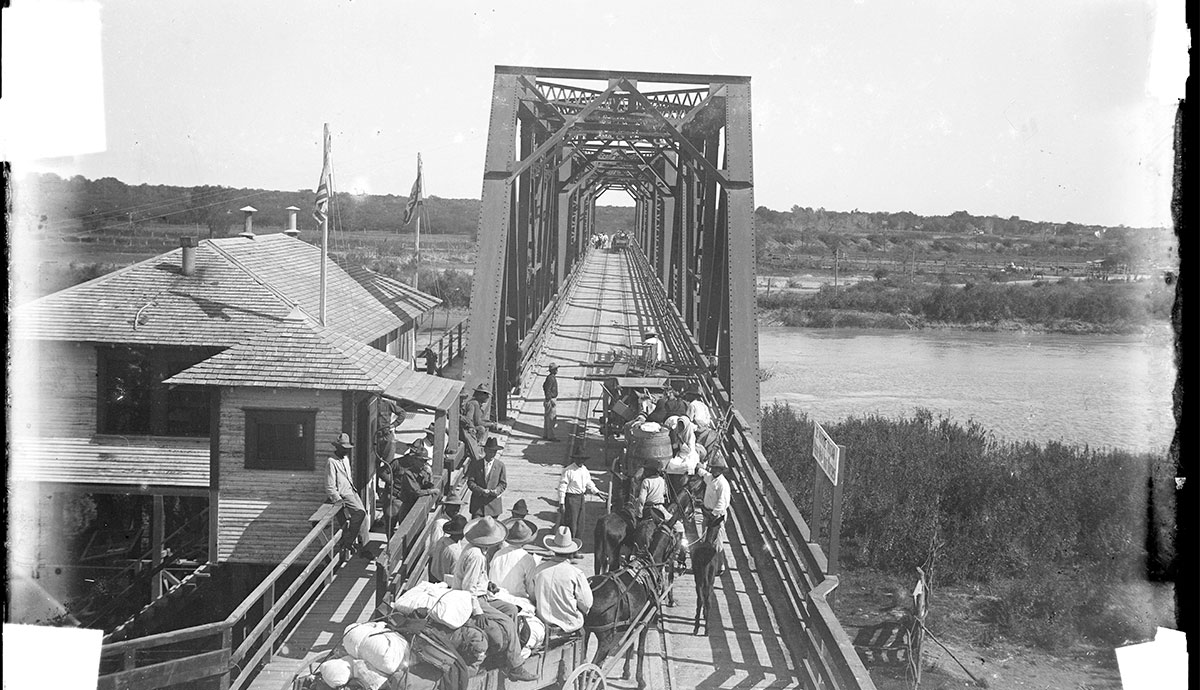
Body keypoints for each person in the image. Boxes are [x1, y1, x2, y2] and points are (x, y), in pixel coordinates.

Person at [455, 516, 538, 681]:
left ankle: (507, 655)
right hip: (473, 600)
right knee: (506, 622)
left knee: (512, 609)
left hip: (482, 594)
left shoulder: (476, 550)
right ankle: (516, 666)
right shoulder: (477, 556)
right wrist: (478, 612)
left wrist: (488, 584)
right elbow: (469, 589)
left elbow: (477, 580)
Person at [527, 526, 593, 634]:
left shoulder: (539, 570)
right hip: (569, 625)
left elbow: (532, 595)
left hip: (542, 622)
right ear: (571, 552)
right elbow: (587, 604)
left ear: (553, 550)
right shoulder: (576, 574)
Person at [325, 432, 369, 561]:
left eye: (347, 449)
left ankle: (364, 548)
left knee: (364, 516)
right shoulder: (331, 462)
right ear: (338, 448)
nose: (346, 451)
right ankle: (348, 541)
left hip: (351, 490)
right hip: (343, 494)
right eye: (344, 449)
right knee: (359, 514)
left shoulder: (345, 459)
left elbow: (348, 477)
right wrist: (337, 499)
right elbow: (329, 485)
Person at [557, 458, 607, 548]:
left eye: (583, 460)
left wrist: (597, 492)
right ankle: (568, 549)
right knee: (572, 524)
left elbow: (588, 482)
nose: (581, 462)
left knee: (580, 524)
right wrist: (562, 503)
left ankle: (576, 548)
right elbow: (562, 486)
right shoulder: (568, 470)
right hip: (571, 498)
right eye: (579, 460)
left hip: (581, 498)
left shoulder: (584, 470)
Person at [489, 517, 540, 598]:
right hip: (517, 599)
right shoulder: (527, 558)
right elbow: (530, 587)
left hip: (496, 596)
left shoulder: (498, 554)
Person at [467, 437, 508, 518]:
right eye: (490, 451)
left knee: (492, 529)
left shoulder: (500, 465)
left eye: (494, 452)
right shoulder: (476, 464)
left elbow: (503, 483)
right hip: (478, 506)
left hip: (493, 506)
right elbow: (470, 482)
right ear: (485, 450)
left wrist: (497, 491)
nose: (492, 454)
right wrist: (481, 490)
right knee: (476, 528)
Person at [699, 452, 732, 547]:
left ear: (721, 470)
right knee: (704, 538)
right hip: (707, 513)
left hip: (716, 517)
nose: (713, 470)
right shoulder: (710, 478)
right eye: (712, 468)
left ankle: (718, 560)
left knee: (716, 542)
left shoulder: (723, 484)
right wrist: (697, 468)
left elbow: (722, 502)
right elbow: (704, 474)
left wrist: (713, 514)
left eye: (716, 468)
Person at [663, 415, 700, 502]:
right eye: (679, 425)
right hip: (680, 454)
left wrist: (681, 442)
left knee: (688, 466)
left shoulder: (690, 435)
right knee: (671, 465)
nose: (680, 427)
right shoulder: (677, 432)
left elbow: (689, 450)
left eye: (682, 425)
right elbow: (675, 445)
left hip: (689, 455)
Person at [429, 514, 467, 584]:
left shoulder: (441, 540)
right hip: (445, 583)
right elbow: (454, 576)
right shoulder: (455, 552)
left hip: (434, 577)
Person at [685, 383, 717, 457]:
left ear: (691, 396)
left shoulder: (692, 405)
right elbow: (708, 418)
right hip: (706, 428)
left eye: (688, 395)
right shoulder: (703, 405)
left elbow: (689, 419)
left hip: (698, 428)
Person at [461, 384, 497, 449]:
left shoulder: (476, 403)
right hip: (466, 429)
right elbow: (477, 422)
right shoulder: (474, 404)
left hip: (469, 426)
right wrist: (490, 424)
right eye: (485, 394)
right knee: (481, 429)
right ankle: (475, 447)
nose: (488, 397)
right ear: (480, 395)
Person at [543, 362, 560, 441]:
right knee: (551, 419)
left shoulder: (549, 377)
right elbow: (548, 389)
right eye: (556, 369)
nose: (557, 370)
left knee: (547, 418)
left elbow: (544, 386)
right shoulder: (551, 378)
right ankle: (551, 436)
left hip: (548, 399)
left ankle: (546, 434)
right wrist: (549, 399)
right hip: (551, 400)